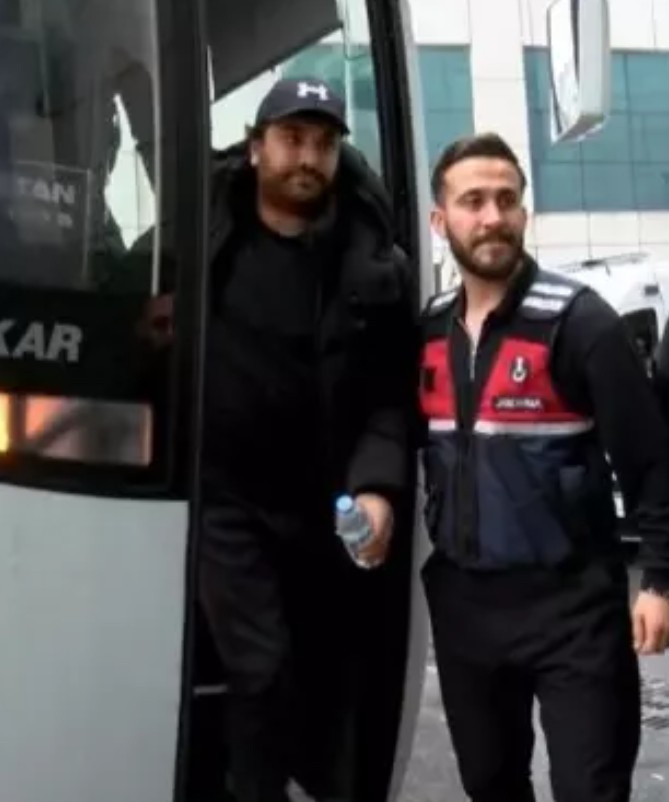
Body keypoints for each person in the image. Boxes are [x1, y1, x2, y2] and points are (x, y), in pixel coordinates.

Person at [419, 132, 669, 802]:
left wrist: (658, 580)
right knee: (490, 785)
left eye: (506, 200)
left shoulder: (580, 322)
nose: (492, 216)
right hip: (467, 608)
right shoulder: (428, 333)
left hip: (573, 609)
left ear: (524, 213)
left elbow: (649, 461)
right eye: (473, 201)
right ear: (440, 220)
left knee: (590, 788)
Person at [197, 77, 416, 802]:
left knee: (332, 682)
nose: (307, 157)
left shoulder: (370, 264)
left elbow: (389, 396)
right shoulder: (205, 238)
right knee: (260, 669)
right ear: (256, 149)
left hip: (327, 506)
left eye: (322, 144)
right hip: (228, 501)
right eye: (291, 139)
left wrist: (377, 490)